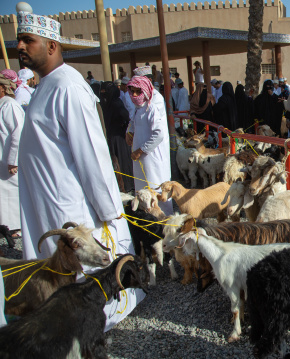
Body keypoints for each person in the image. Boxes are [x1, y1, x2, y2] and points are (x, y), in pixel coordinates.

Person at [16, 7, 142, 330]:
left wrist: (111, 213)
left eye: (27, 40)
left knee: (90, 288)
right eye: (19, 40)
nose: (20, 47)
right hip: (49, 206)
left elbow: (93, 158)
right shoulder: (45, 86)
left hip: (70, 207)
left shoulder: (69, 86)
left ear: (52, 46)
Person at [125, 76, 172, 214]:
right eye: (132, 91)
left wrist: (141, 150)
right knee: (143, 192)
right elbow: (133, 123)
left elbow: (159, 133)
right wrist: (130, 133)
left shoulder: (151, 107)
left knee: (156, 191)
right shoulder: (137, 108)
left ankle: (164, 222)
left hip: (152, 159)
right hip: (140, 160)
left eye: (137, 92)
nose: (134, 95)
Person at [0, 74, 24, 234]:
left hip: (9, 160)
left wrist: (13, 159)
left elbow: (18, 132)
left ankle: (16, 227)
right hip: (2, 159)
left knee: (12, 194)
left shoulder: (10, 105)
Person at [101, 81, 134, 193]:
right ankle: (127, 185)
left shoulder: (104, 103)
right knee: (123, 161)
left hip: (110, 136)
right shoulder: (116, 103)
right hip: (119, 137)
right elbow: (126, 116)